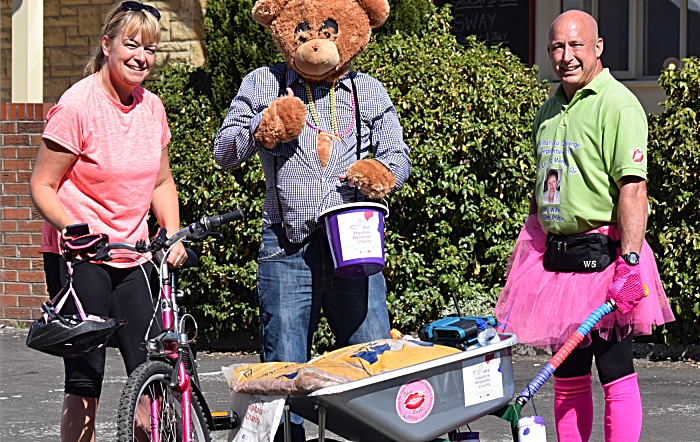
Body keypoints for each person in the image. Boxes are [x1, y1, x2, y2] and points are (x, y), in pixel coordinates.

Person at [495, 10, 674, 442]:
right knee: (569, 375)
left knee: (615, 373)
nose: (566, 55)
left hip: (607, 258)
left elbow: (633, 189)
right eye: (557, 46)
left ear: (597, 48)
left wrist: (630, 263)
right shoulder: (550, 108)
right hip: (557, 261)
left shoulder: (618, 104)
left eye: (576, 45)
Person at [29, 2, 186, 441]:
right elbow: (41, 185)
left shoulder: (152, 108)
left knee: (152, 370)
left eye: (150, 48)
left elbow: (161, 181)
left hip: (131, 254)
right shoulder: (77, 105)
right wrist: (71, 227)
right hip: (81, 255)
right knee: (86, 376)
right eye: (131, 44)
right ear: (107, 45)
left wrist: (170, 233)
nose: (141, 56)